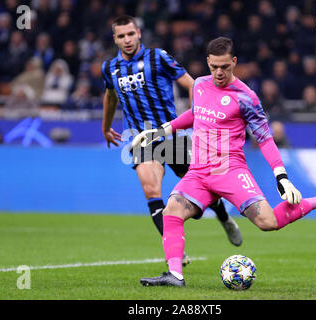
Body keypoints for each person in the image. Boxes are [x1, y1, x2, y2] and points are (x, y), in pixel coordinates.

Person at [135, 37, 316, 287]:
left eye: (225, 67)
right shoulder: (199, 85)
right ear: (207, 62)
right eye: (214, 67)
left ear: (234, 62)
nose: (219, 72)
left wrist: (281, 177)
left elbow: (265, 138)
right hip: (198, 171)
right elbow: (195, 113)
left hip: (230, 170)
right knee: (172, 210)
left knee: (268, 222)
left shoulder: (246, 97)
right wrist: (161, 131)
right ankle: (175, 275)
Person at [101, 16, 243, 266]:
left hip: (170, 135)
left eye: (130, 34)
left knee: (206, 190)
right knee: (151, 192)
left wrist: (199, 118)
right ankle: (175, 252)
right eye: (121, 36)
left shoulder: (159, 57)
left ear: (139, 34)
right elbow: (110, 97)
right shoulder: (110, 68)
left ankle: (223, 217)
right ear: (115, 39)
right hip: (140, 138)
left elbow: (192, 85)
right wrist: (105, 128)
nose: (127, 40)